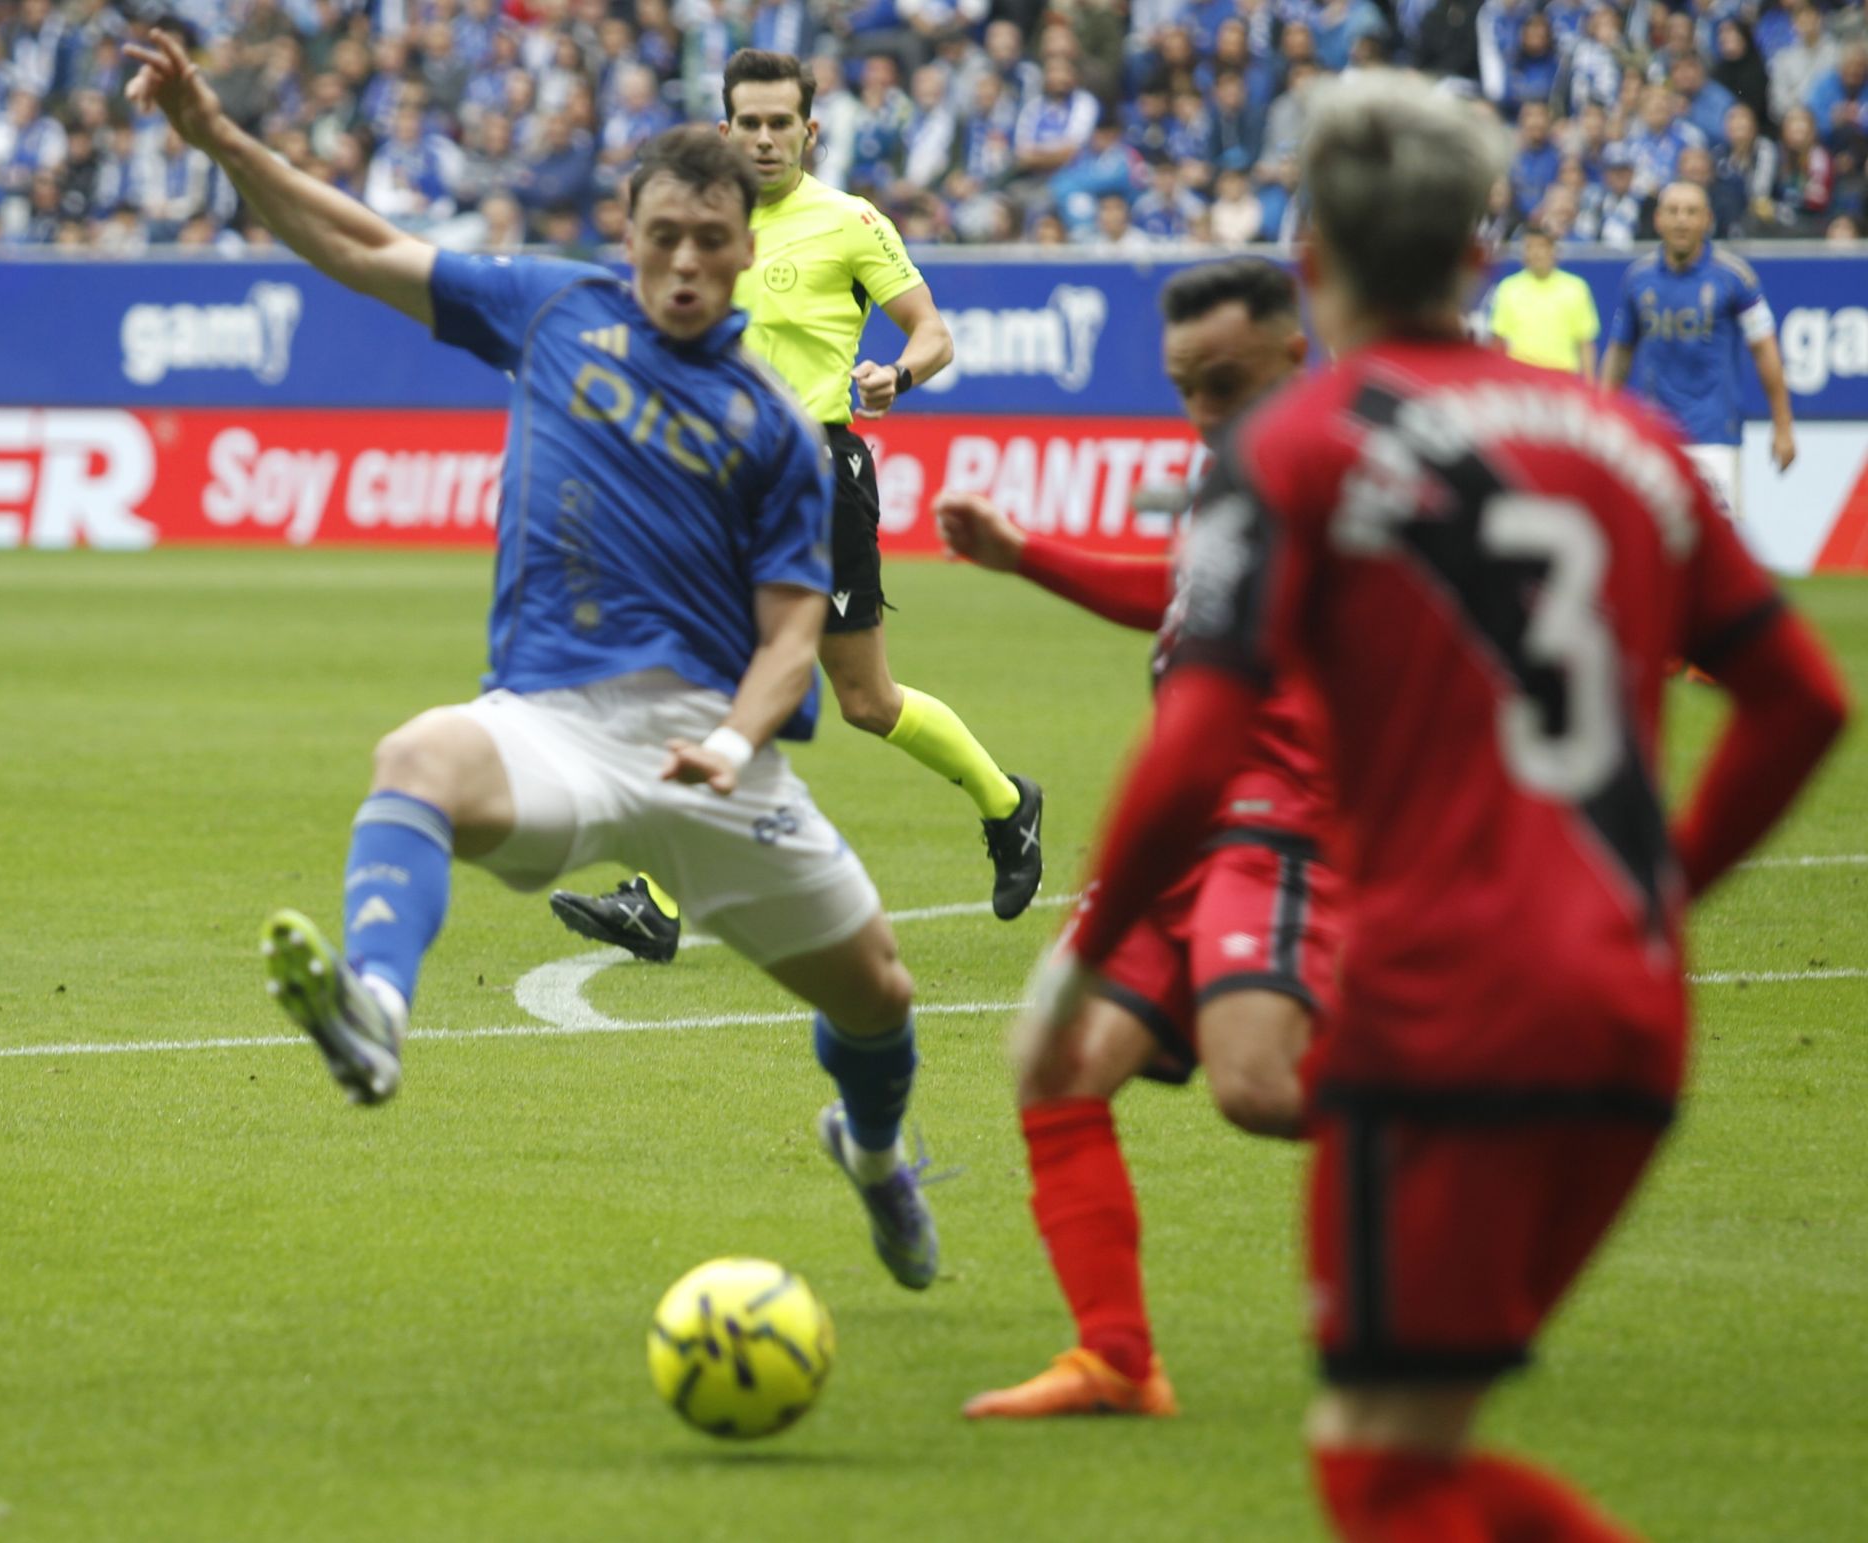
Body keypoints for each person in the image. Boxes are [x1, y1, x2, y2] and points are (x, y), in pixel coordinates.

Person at [1018, 75, 1847, 1538]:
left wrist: (1077, 962)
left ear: (1314, 269)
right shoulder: (1626, 443)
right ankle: (1113, 1348)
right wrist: (1659, 894)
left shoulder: (1297, 446)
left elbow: (1193, 747)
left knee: (1382, 1467)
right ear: (1483, 251)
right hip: (1627, 1012)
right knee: (1408, 1453)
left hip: (1444, 1006)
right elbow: (1803, 703)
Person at [119, 32, 941, 1289]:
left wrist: (730, 741)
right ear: (629, 236)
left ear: (744, 249)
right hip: (552, 722)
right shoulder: (553, 309)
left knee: (879, 994)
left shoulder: (777, 431)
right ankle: (377, 1016)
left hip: (707, 751)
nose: (683, 260)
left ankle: (875, 1155)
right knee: (416, 756)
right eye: (662, 233)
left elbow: (791, 640)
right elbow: (360, 246)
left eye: (710, 240)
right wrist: (219, 141)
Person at [935, 258, 1340, 1420]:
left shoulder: (1338, 480)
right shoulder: (1236, 475)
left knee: (1260, 1088)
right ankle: (1116, 1358)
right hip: (1192, 825)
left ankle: (1478, 1111)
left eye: (1229, 384)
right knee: (1057, 1062)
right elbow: (1181, 597)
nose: (1206, 413)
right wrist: (1028, 557)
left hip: (1282, 820)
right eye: (1185, 388)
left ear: (1293, 359)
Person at [554, 48, 1042, 964]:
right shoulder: (703, 226)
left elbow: (934, 330)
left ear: (810, 130)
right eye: (752, 123)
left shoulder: (852, 222)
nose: (768, 138)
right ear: (726, 130)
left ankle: (1009, 806)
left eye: (783, 123)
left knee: (865, 700)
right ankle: (657, 898)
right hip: (718, 479)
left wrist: (896, 372)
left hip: (817, 475)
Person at [1601, 178, 1798, 520]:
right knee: (1658, 550)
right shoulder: (1638, 278)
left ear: (1707, 219)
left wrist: (1782, 425)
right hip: (1656, 438)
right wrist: (1601, 415)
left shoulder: (1735, 277)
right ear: (1658, 219)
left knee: (1715, 554)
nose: (1681, 220)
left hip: (1715, 436)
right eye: (1673, 211)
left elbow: (1765, 349)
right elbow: (1620, 352)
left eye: (1691, 212)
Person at [1487, 224, 1601, 380]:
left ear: (1553, 250)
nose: (1536, 253)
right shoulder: (1508, 288)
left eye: (1541, 247)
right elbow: (1498, 341)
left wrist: (1589, 384)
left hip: (1563, 379)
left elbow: (1585, 343)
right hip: (1522, 381)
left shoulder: (1576, 288)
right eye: (1529, 247)